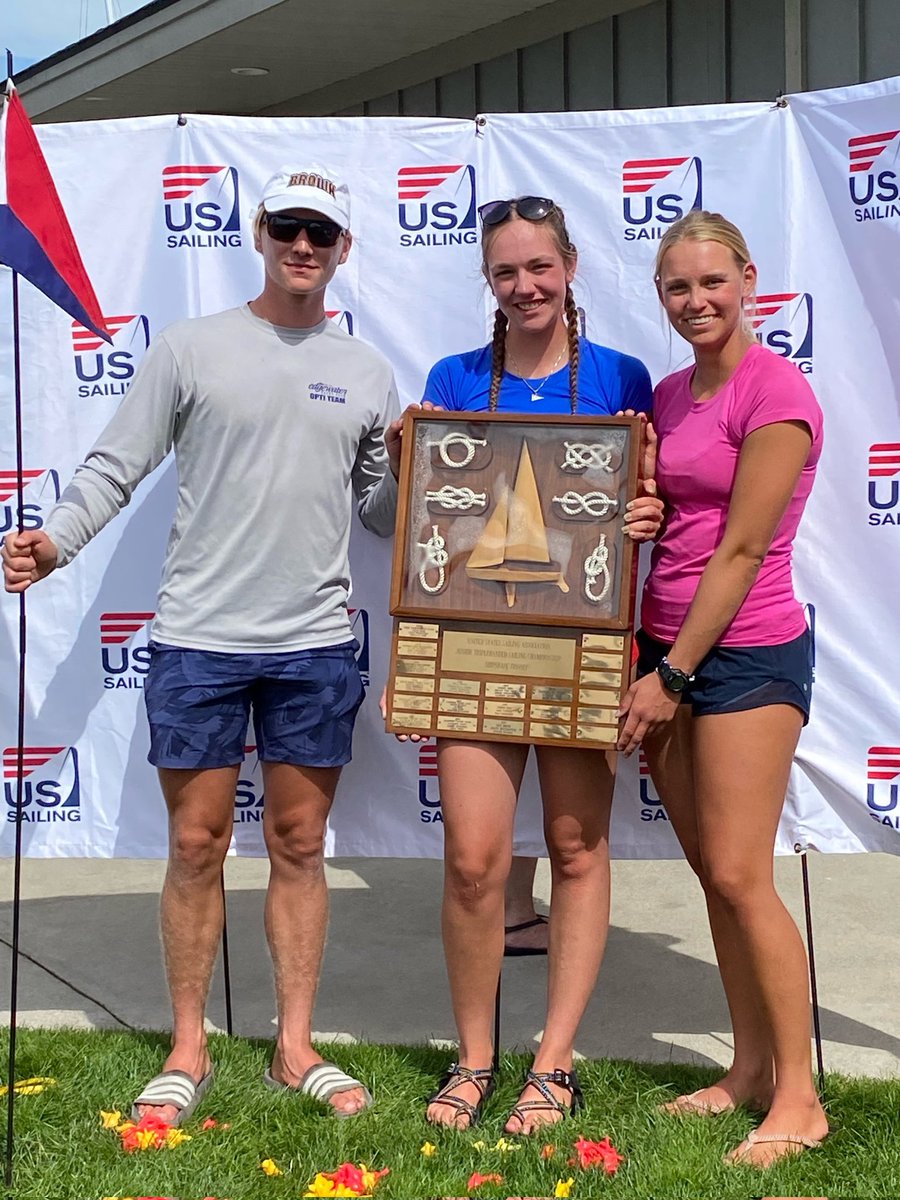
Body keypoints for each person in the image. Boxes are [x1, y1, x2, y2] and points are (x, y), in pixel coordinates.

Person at [2, 167, 400, 1124]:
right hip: (197, 643)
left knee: (300, 844)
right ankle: (189, 1046)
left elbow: (383, 521)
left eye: (323, 233)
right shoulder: (188, 349)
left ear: (344, 249)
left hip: (313, 645)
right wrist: (54, 540)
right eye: (289, 228)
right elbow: (114, 463)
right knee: (194, 846)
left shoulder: (369, 373)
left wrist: (417, 462)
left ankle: (293, 1047)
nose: (304, 246)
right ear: (261, 232)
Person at [416, 195, 663, 1133]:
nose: (524, 286)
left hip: (582, 650)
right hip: (477, 647)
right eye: (505, 271)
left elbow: (649, 502)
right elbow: (426, 525)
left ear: (569, 270)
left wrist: (649, 513)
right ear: (488, 281)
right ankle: (474, 1058)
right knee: (475, 862)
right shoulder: (453, 376)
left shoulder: (620, 376)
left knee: (575, 849)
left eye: (539, 268)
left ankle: (554, 1065)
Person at [618, 210, 828, 1167]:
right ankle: (747, 1069)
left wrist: (671, 675)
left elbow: (743, 548)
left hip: (740, 655)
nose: (695, 301)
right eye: (677, 288)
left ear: (748, 279)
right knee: (715, 873)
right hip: (665, 641)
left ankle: (800, 1097)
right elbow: (683, 513)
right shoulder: (668, 392)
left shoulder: (776, 392)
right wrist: (648, 506)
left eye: (712, 283)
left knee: (744, 874)